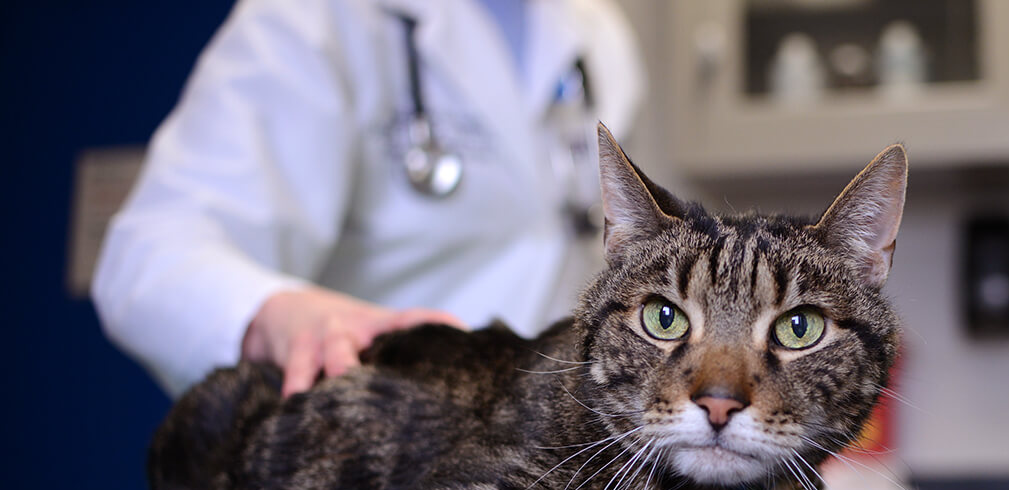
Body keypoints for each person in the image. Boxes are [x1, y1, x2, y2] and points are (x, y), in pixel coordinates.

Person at [91, 0, 645, 398]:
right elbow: (148, 254)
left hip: (560, 447)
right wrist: (279, 313)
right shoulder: (315, 19)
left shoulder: (599, 36)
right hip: (395, 431)